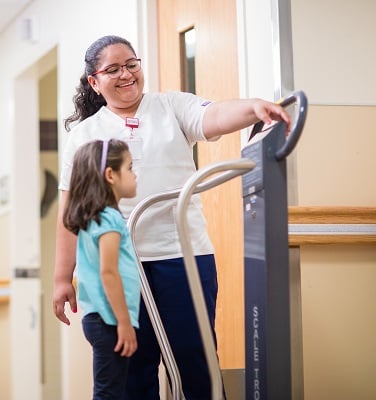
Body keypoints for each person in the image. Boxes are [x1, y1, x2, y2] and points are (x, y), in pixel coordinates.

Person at [53, 35, 291, 400]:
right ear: (94, 82)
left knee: (196, 363)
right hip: (119, 266)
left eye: (131, 64)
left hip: (184, 256)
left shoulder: (170, 106)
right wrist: (61, 278)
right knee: (133, 369)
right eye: (112, 69)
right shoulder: (85, 135)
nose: (126, 74)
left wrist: (254, 108)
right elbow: (72, 211)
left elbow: (213, 116)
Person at [63, 138, 141, 399]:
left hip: (100, 319)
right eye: (130, 168)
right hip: (108, 320)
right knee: (109, 393)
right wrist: (123, 322)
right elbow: (108, 272)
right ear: (111, 175)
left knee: (112, 390)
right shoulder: (108, 218)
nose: (134, 174)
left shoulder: (96, 217)